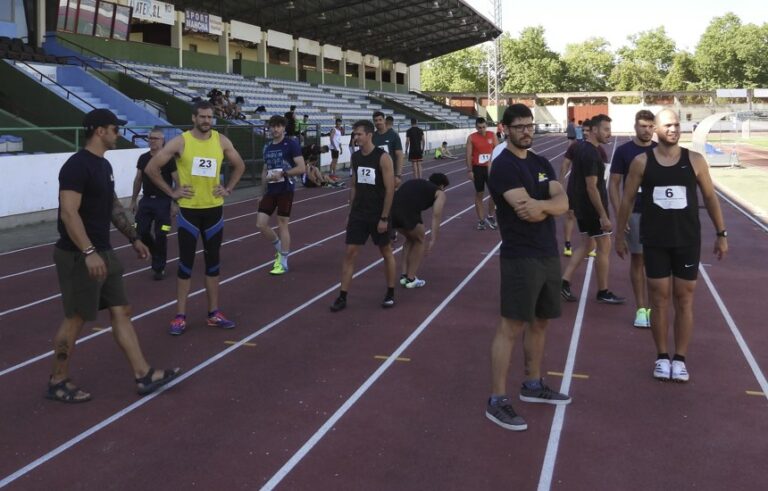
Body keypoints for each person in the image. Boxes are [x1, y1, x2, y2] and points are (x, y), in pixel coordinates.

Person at [48, 108, 180, 403]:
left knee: (122, 310)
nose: (118, 133)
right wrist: (89, 252)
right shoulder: (76, 166)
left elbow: (112, 207)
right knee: (76, 318)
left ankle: (143, 374)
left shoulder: (102, 166)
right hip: (78, 255)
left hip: (102, 251)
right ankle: (57, 379)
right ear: (99, 131)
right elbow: (69, 214)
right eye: (114, 129)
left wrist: (134, 237)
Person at [616, 108, 728, 383]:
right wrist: (619, 233)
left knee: (685, 298)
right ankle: (661, 356)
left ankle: (680, 359)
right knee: (659, 299)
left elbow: (711, 198)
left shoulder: (696, 161)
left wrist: (721, 233)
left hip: (687, 240)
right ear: (655, 129)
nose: (673, 129)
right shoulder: (641, 162)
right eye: (667, 125)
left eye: (677, 124)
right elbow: (627, 199)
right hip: (655, 240)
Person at [485, 104, 571, 431]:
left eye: (530, 125)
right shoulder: (504, 166)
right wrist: (547, 206)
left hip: (547, 252)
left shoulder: (540, 162)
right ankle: (496, 399)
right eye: (519, 126)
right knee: (512, 326)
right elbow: (528, 212)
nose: (526, 131)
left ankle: (532, 384)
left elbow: (563, 203)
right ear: (505, 129)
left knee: (541, 322)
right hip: (520, 255)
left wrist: (544, 206)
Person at [145, 100, 246, 336]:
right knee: (185, 265)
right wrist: (172, 192)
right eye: (202, 117)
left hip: (214, 210)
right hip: (189, 211)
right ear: (194, 118)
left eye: (210, 117)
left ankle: (213, 313)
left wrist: (229, 188)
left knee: (213, 264)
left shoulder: (221, 141)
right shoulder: (181, 141)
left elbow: (239, 165)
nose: (206, 121)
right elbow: (152, 168)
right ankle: (180, 316)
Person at [330, 119, 396, 312]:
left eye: (359, 134)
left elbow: (390, 189)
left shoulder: (383, 158)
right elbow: (354, 185)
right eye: (354, 134)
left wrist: (384, 217)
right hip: (359, 213)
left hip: (378, 214)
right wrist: (350, 213)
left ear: (369, 135)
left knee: (386, 252)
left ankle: (390, 292)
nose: (356, 138)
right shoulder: (356, 157)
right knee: (350, 253)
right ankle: (342, 296)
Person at [560, 114, 625, 304]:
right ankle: (603, 291)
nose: (609, 133)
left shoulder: (582, 149)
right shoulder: (591, 153)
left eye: (610, 129)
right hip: (591, 208)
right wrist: (603, 215)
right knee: (604, 245)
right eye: (605, 129)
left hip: (583, 205)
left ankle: (563, 282)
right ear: (594, 130)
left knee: (588, 244)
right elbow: (591, 186)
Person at [608, 110, 657, 328]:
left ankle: (656, 308)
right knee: (638, 259)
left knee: (659, 262)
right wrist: (621, 215)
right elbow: (614, 185)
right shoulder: (623, 152)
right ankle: (641, 309)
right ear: (635, 126)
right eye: (643, 126)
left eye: (650, 126)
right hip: (635, 212)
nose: (647, 130)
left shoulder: (661, 149)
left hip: (660, 214)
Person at [257, 115, 307, 275]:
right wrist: (261, 191)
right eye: (273, 126)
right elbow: (265, 170)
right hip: (270, 190)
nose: (275, 129)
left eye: (279, 126)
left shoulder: (291, 144)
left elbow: (301, 168)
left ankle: (283, 261)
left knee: (282, 223)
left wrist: (283, 174)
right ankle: (280, 248)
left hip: (285, 188)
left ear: (284, 128)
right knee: (261, 224)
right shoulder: (267, 147)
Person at [130, 127, 178, 281]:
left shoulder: (169, 159)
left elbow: (177, 181)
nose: (152, 141)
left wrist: (175, 202)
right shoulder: (143, 158)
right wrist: (133, 199)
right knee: (140, 231)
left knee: (161, 234)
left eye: (156, 138)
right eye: (150, 138)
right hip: (146, 201)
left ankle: (159, 268)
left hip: (163, 202)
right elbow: (138, 179)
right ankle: (156, 253)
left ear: (162, 140)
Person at [392, 172, 449, 288]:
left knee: (410, 239)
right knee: (419, 241)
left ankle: (404, 275)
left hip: (392, 211)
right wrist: (433, 239)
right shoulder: (440, 192)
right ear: (442, 186)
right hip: (408, 212)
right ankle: (411, 278)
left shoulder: (418, 182)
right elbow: (436, 215)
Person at [560, 119, 599, 257]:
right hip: (574, 188)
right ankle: (568, 244)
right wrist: (560, 184)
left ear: (594, 131)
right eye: (583, 131)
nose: (585, 133)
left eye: (588, 130)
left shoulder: (598, 149)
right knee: (570, 215)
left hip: (590, 190)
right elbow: (565, 164)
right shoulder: (575, 146)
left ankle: (591, 246)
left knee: (591, 217)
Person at [465, 117, 499, 230]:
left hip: (490, 168)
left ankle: (490, 216)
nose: (482, 129)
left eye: (484, 127)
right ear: (476, 127)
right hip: (478, 169)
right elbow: (468, 155)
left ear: (486, 126)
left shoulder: (492, 135)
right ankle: (481, 220)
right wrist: (470, 171)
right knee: (479, 193)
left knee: (494, 193)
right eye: (479, 127)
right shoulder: (471, 138)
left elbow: (498, 151)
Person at [372, 111, 404, 187]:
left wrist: (398, 175)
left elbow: (399, 155)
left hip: (391, 173)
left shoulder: (393, 135)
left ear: (384, 120)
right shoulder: (372, 137)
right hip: (377, 175)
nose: (378, 122)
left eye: (380, 120)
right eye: (376, 120)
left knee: (392, 196)